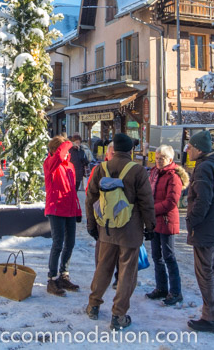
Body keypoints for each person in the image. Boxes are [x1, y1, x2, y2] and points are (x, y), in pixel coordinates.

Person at [85, 134, 155, 331]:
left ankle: (93, 305)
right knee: (127, 273)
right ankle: (118, 315)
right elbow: (146, 202)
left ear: (113, 149)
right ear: (130, 150)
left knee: (103, 268)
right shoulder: (137, 171)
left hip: (106, 227)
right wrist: (150, 226)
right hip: (130, 230)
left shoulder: (101, 168)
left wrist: (92, 224)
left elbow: (90, 198)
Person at [185, 130, 214, 334]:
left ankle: (211, 317)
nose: (187, 150)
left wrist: (191, 221)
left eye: (190, 147)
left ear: (198, 149)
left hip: (205, 228)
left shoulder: (204, 168)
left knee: (205, 273)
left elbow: (202, 200)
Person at [146, 144, 189, 306]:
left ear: (170, 159)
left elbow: (171, 202)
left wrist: (151, 210)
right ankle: (161, 288)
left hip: (166, 220)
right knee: (156, 256)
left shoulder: (173, 176)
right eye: (157, 158)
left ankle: (176, 291)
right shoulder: (154, 173)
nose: (158, 161)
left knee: (169, 257)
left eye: (162, 158)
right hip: (155, 220)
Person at [43, 136, 82, 296]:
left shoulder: (70, 166)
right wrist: (69, 142)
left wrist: (77, 210)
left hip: (69, 209)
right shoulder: (50, 163)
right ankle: (52, 279)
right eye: (65, 149)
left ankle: (63, 275)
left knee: (70, 243)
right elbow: (59, 155)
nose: (67, 152)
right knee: (58, 243)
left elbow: (72, 191)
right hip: (56, 208)